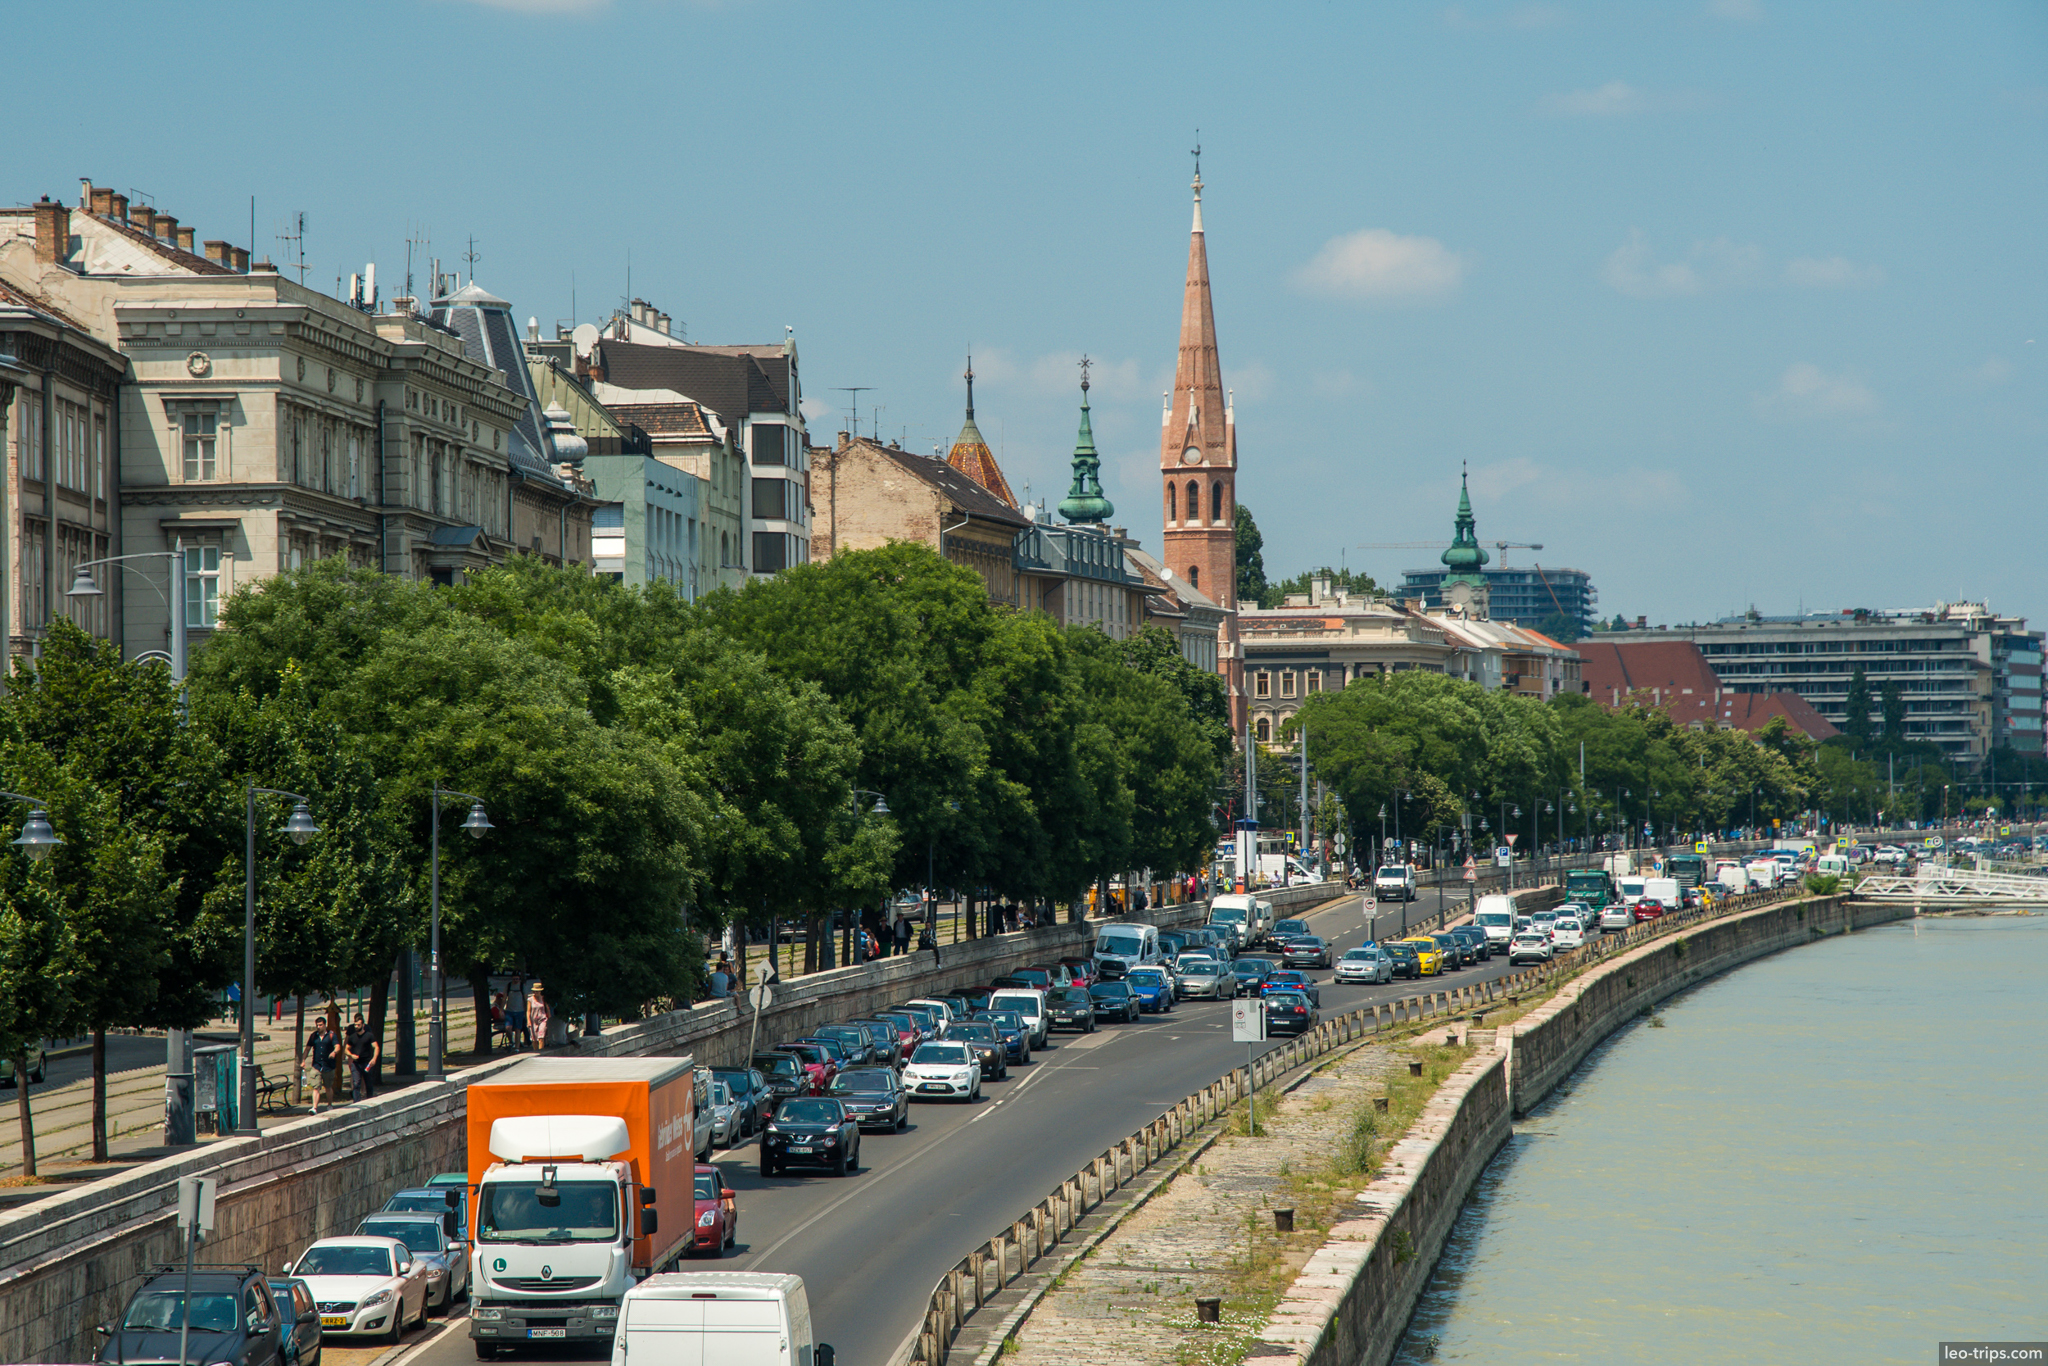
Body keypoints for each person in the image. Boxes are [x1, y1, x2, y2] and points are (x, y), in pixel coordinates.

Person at [304, 1017, 337, 1114]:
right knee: (316, 1087)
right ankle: (314, 1108)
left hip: (328, 1066)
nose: (318, 1027)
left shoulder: (331, 1035)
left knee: (328, 1087)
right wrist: (303, 1060)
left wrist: (334, 1052)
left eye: (320, 1025)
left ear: (325, 1025)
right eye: (317, 1025)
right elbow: (307, 1048)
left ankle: (329, 1105)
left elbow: (337, 1046)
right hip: (316, 1065)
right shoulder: (313, 1036)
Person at [348, 1014, 379, 1100]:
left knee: (368, 1083)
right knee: (356, 1083)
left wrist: (374, 1058)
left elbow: (376, 1047)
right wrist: (350, 1055)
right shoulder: (352, 1037)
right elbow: (346, 1049)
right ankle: (356, 1101)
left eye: (358, 1025)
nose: (356, 1027)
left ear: (363, 1025)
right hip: (356, 1063)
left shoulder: (369, 1036)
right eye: (355, 1025)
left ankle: (369, 1099)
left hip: (367, 1062)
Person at [526, 980, 552, 1052]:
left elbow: (547, 1008)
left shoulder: (543, 998)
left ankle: (541, 1052)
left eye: (537, 991)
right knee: (534, 1039)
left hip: (542, 1018)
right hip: (533, 1020)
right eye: (535, 991)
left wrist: (549, 1017)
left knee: (541, 1037)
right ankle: (536, 1051)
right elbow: (528, 1011)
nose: (536, 992)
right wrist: (528, 1021)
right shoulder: (530, 999)